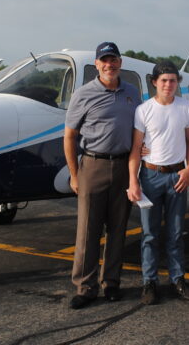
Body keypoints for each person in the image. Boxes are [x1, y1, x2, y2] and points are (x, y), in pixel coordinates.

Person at [63, 41, 139, 310]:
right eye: (104, 60)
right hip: (92, 166)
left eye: (114, 59)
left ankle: (112, 283)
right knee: (88, 231)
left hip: (122, 166)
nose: (110, 64)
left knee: (118, 229)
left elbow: (138, 131)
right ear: (97, 64)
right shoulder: (84, 94)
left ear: (120, 62)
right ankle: (85, 287)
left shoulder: (132, 92)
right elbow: (70, 136)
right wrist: (74, 175)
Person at [127, 61, 189, 305]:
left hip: (177, 177)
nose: (169, 85)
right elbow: (137, 148)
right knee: (149, 234)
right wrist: (133, 181)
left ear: (177, 82)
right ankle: (149, 282)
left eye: (173, 80)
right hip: (150, 177)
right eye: (164, 80)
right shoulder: (143, 110)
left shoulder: (186, 107)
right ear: (154, 82)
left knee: (176, 233)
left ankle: (178, 279)